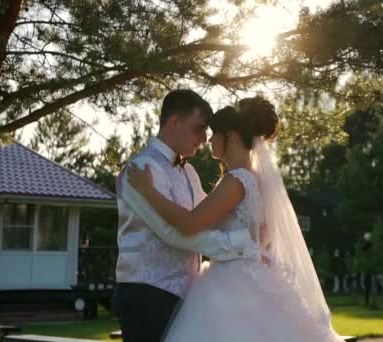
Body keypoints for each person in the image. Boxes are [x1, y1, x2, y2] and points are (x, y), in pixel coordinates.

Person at [127, 97, 343, 341]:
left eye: (214, 133)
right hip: (255, 276)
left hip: (231, 281)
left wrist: (148, 192)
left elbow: (188, 224)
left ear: (231, 136)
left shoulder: (236, 181)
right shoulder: (259, 180)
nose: (209, 140)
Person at [114, 89, 255, 342]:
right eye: (198, 128)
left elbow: (207, 221)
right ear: (174, 122)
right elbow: (173, 233)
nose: (203, 138)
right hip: (148, 294)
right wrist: (240, 244)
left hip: (188, 295)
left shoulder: (189, 172)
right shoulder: (140, 169)